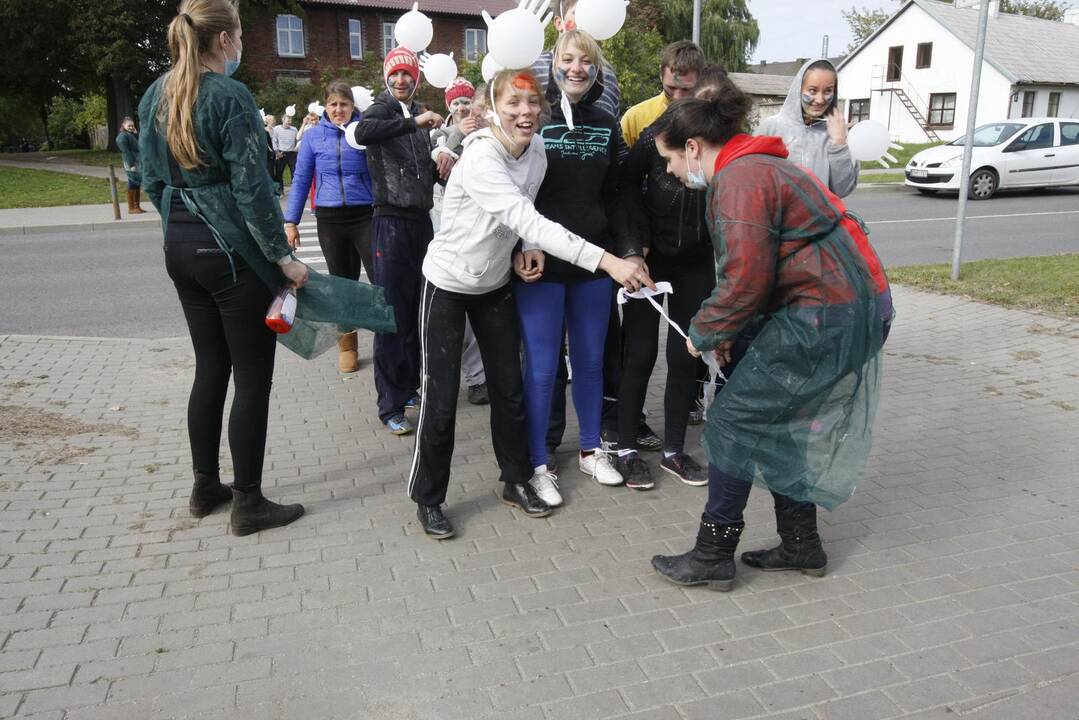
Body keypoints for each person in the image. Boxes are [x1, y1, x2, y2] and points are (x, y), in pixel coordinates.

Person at [648, 74, 891, 591]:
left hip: (827, 314)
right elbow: (767, 269)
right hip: (847, 306)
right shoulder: (758, 165)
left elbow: (745, 279)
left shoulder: (740, 180)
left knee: (734, 422)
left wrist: (704, 332)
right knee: (784, 422)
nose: (671, 172)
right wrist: (737, 328)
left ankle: (714, 554)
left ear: (693, 148)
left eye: (671, 160)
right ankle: (802, 544)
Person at [411, 69, 652, 538]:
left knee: (509, 390)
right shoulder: (482, 156)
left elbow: (528, 217)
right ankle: (429, 497)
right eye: (512, 104)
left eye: (531, 103)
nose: (524, 113)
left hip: (496, 284)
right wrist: (608, 261)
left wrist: (526, 246)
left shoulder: (537, 149)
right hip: (449, 283)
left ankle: (516, 480)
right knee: (440, 399)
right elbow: (526, 215)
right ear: (493, 108)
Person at [137, 0, 310, 536]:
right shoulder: (230, 95)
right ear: (224, 40)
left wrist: (182, 213)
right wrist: (283, 258)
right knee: (253, 378)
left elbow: (147, 178)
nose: (241, 42)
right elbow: (253, 190)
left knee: (210, 368)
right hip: (230, 252)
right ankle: (249, 502)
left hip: (180, 249)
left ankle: (205, 484)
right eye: (239, 33)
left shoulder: (154, 94)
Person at [513, 29, 633, 506]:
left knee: (589, 361)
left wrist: (629, 250)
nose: (577, 67)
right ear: (553, 65)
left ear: (596, 68)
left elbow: (618, 194)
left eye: (586, 60)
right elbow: (516, 189)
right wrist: (523, 242)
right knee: (542, 368)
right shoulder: (532, 118)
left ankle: (590, 449)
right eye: (568, 58)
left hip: (595, 263)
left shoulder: (606, 122)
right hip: (540, 262)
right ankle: (540, 461)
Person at [612, 58, 717, 492]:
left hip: (695, 261)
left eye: (686, 92)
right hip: (650, 261)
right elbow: (622, 188)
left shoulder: (715, 139)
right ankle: (624, 448)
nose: (677, 100)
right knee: (638, 354)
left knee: (685, 357)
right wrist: (634, 249)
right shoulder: (655, 135)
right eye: (671, 90)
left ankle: (674, 450)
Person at [348, 47, 449, 436]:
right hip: (389, 222)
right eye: (396, 75)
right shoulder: (380, 109)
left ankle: (409, 388)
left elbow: (420, 167)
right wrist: (414, 123)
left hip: (421, 222)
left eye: (408, 74)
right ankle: (389, 403)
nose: (402, 80)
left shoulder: (418, 111)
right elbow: (362, 133)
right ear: (387, 78)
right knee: (391, 315)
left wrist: (442, 165)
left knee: (417, 312)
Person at [284, 81, 374, 374]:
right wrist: (291, 221)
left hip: (366, 216)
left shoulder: (363, 132)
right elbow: (300, 179)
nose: (338, 110)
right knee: (341, 284)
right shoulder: (312, 137)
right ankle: (348, 346)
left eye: (344, 104)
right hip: (330, 220)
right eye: (333, 104)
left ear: (352, 106)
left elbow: (380, 174)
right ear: (326, 106)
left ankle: (390, 344)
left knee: (381, 279)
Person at [429, 76, 489, 407]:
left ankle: (480, 378)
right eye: (457, 103)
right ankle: (461, 377)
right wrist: (457, 135)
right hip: (448, 238)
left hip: (483, 237)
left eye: (469, 101)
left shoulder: (487, 133)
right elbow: (436, 162)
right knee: (455, 315)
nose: (464, 108)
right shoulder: (442, 134)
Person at [756, 58, 859, 198]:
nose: (820, 99)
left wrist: (839, 143)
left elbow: (842, 190)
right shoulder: (771, 128)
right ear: (798, 89)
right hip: (779, 219)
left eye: (828, 91)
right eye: (812, 90)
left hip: (821, 219)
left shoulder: (837, 133)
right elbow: (752, 180)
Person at [530, 0, 620, 119]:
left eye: (591, 14)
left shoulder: (607, 77)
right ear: (559, 22)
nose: (586, 20)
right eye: (578, 13)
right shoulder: (533, 68)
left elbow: (614, 133)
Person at [620, 41, 704, 148]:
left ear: (702, 79)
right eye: (671, 88)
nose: (677, 97)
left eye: (686, 89)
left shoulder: (712, 120)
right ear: (661, 74)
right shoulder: (634, 119)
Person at [116, 116, 147, 215]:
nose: (131, 127)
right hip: (131, 162)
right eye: (129, 125)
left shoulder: (131, 135)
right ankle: (131, 207)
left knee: (136, 182)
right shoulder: (122, 137)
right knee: (132, 182)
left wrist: (136, 134)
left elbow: (139, 144)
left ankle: (136, 206)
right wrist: (131, 164)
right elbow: (126, 152)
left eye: (132, 125)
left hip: (137, 162)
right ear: (123, 126)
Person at [272, 111, 299, 192]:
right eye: (288, 120)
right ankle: (280, 190)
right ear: (283, 119)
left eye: (290, 120)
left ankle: (295, 190)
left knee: (295, 172)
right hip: (281, 153)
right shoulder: (277, 128)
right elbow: (274, 141)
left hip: (292, 154)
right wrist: (277, 152)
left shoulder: (294, 129)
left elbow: (298, 140)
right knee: (279, 173)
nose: (289, 122)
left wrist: (297, 148)